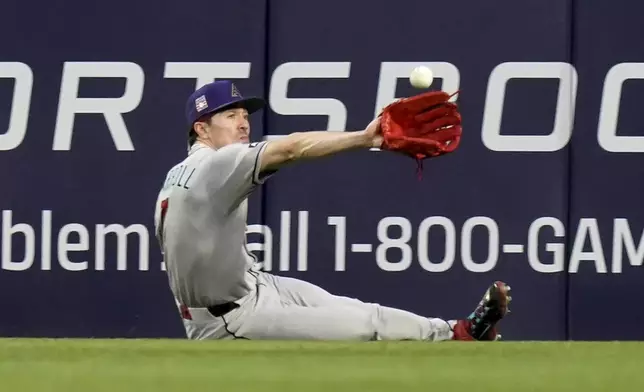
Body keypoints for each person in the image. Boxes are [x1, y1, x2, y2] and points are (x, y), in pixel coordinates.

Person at [153, 80, 512, 341]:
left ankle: (457, 332)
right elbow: (292, 148)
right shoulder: (217, 166)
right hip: (231, 317)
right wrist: (365, 138)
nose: (244, 123)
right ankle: (455, 337)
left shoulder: (177, 174)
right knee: (362, 328)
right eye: (230, 116)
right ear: (201, 128)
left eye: (244, 114)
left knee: (357, 310)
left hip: (252, 288)